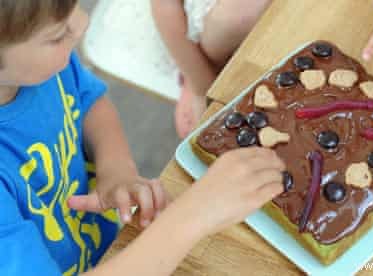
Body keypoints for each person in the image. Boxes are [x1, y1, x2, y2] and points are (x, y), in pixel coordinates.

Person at [0, 1, 285, 275]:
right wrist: (196, 213)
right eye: (58, 34)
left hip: (118, 248)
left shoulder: (41, 69)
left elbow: (88, 101)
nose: (83, 23)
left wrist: (116, 170)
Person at [153, 0, 373, 138]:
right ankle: (206, 72)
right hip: (224, 28)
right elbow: (164, 9)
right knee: (237, 13)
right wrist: (200, 84)